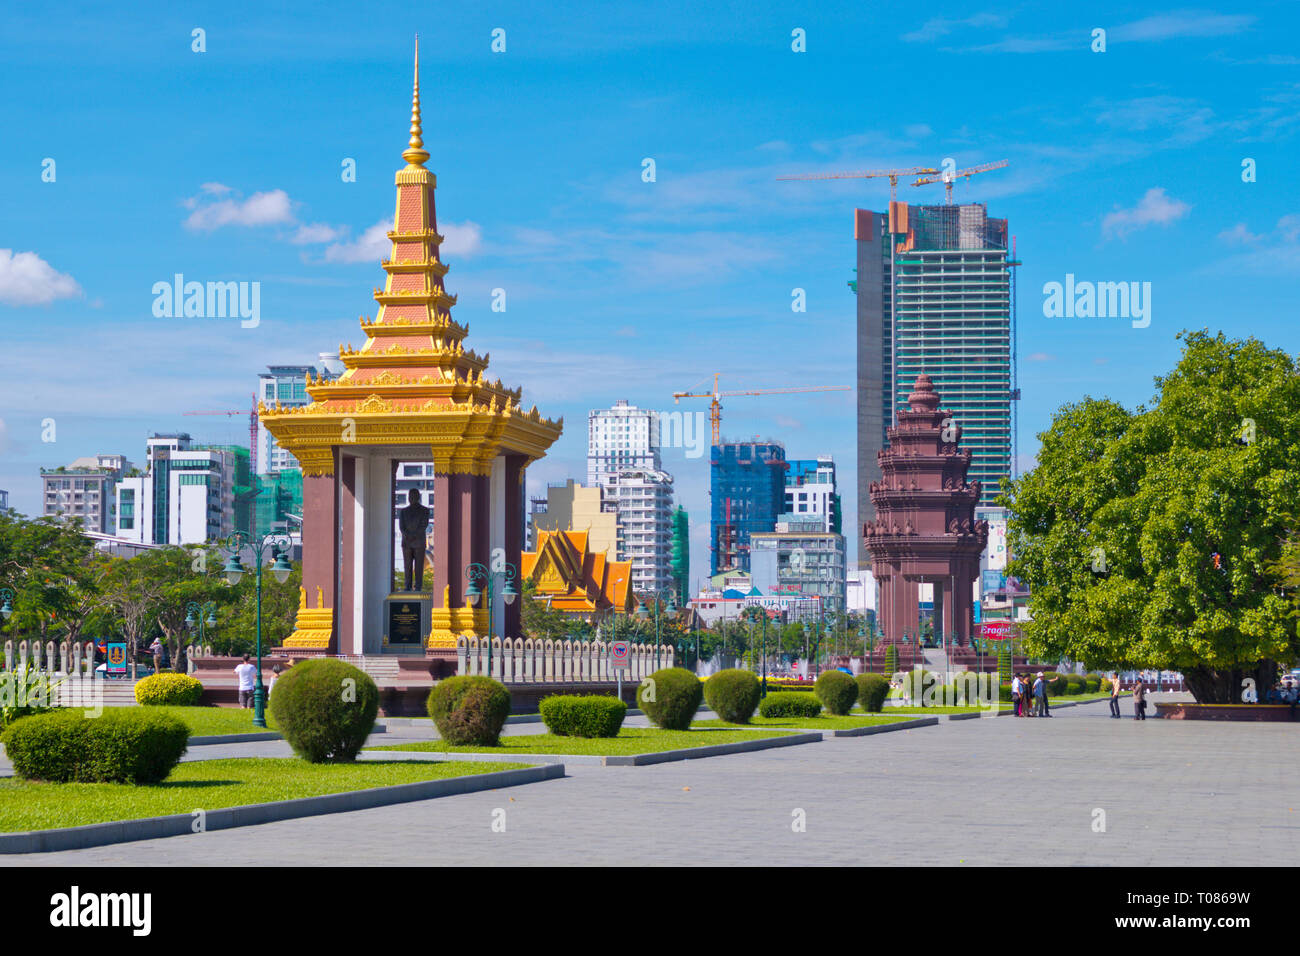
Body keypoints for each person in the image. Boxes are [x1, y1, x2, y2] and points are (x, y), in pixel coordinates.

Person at [397, 488, 431, 592]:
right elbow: (401, 527)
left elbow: (423, 525)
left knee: (419, 566)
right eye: (410, 496)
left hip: (419, 542)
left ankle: (418, 587)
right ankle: (407, 586)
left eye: (413, 496)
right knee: (407, 565)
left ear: (418, 498)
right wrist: (408, 535)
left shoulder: (425, 511)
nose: (411, 498)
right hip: (406, 542)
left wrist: (413, 535)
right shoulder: (403, 511)